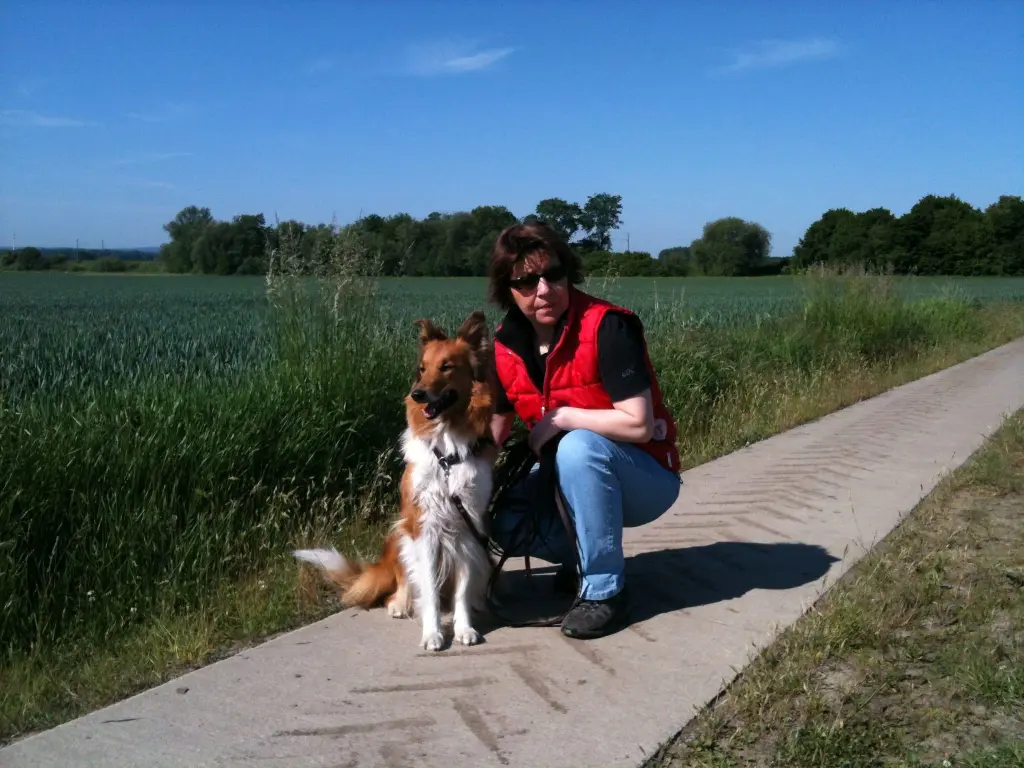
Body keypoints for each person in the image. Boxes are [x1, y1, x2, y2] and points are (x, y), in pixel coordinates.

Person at [484, 221, 682, 639]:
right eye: (525, 281)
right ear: (508, 288)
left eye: (552, 274)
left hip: (646, 476)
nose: (543, 289)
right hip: (567, 478)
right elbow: (494, 429)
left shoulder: (607, 326)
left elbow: (639, 423)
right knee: (502, 520)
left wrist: (561, 417)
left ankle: (606, 591)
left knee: (577, 447)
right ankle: (583, 560)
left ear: (566, 272)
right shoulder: (503, 345)